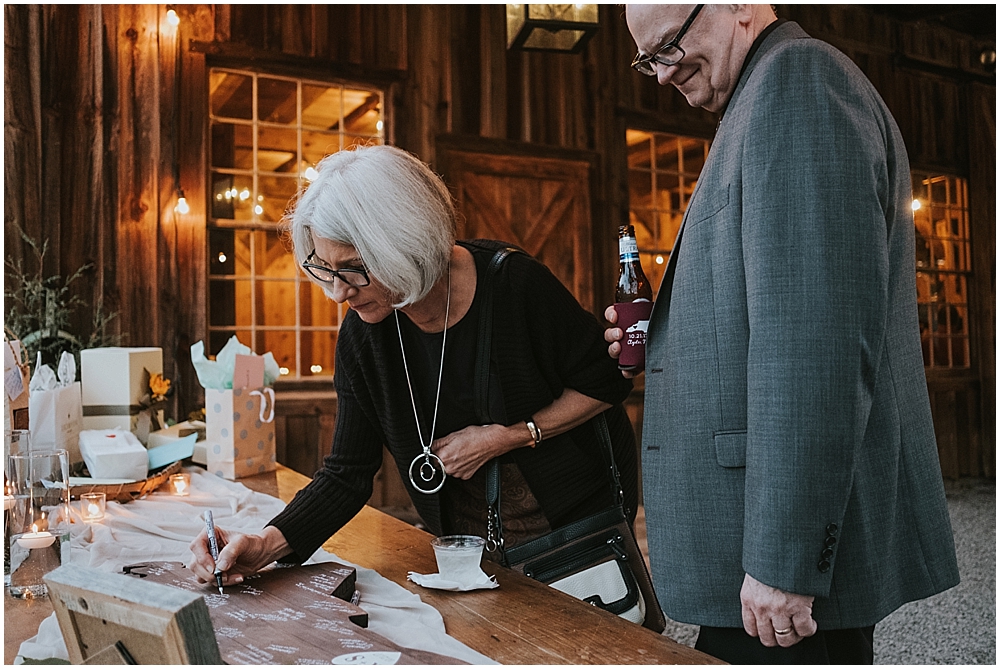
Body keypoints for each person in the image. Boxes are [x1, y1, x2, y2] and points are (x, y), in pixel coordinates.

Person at [604, 4, 960, 664]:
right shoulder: (761, 95)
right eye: (648, 59)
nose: (660, 76)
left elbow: (814, 347)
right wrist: (674, 332)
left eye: (670, 47)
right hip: (746, 559)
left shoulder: (798, 83)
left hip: (772, 575)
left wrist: (784, 562)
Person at [190, 145, 639, 590]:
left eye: (354, 269)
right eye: (325, 269)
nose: (337, 293)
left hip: (577, 536)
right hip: (469, 552)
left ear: (406, 242)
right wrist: (264, 544)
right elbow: (346, 473)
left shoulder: (515, 287)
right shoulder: (364, 335)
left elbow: (605, 383)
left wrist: (508, 436)